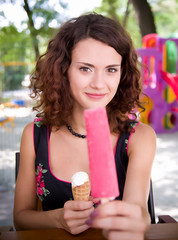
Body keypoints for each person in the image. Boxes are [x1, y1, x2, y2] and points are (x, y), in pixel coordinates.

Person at [13, 13, 156, 239]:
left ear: (122, 73)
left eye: (111, 69)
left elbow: (140, 210)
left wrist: (135, 221)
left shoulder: (139, 137)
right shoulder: (35, 134)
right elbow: (20, 219)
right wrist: (57, 219)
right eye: (85, 68)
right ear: (64, 70)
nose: (99, 84)